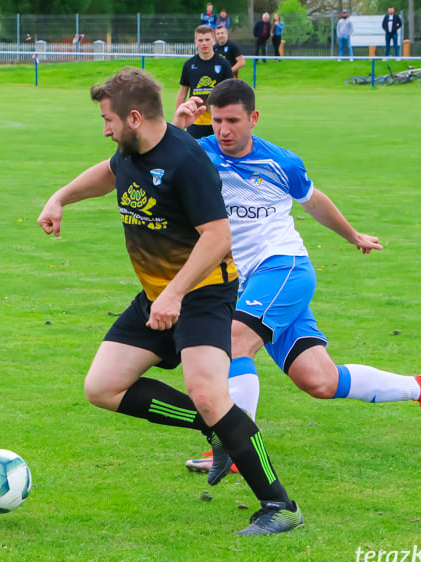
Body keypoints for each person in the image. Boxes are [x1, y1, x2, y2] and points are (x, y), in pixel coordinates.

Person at [37, 67, 304, 536]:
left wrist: (176, 294)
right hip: (157, 295)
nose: (105, 128)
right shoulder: (131, 152)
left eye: (108, 120)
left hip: (202, 295)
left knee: (208, 393)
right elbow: (107, 174)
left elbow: (218, 236)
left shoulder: (186, 161)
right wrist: (60, 198)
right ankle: (213, 430)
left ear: (134, 117)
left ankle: (280, 506)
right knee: (102, 387)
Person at [173, 79, 421, 478]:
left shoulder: (281, 162)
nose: (223, 130)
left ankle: (235, 447)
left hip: (283, 268)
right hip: (246, 284)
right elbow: (160, 164)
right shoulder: (200, 154)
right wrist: (179, 125)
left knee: (233, 341)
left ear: (253, 119)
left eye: (233, 121)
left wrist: (353, 235)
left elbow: (314, 201)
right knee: (319, 380)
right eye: (217, 120)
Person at [175, 25, 233, 139]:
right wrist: (178, 117)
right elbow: (182, 93)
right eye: (201, 40)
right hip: (195, 121)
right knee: (195, 155)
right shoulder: (189, 65)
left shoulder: (223, 64)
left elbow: (230, 94)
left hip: (218, 121)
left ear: (214, 41)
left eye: (207, 39)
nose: (204, 43)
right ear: (196, 42)